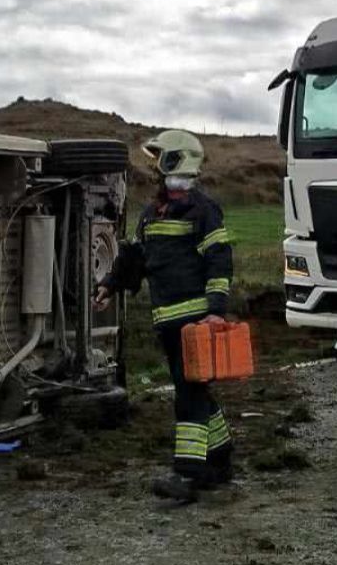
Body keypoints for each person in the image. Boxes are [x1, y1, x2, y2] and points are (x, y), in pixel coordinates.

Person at [94, 129, 236, 502]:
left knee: (188, 395)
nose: (156, 167)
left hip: (195, 322)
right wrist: (111, 283)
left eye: (161, 159)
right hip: (168, 322)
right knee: (195, 391)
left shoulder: (204, 210)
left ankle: (188, 475)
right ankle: (221, 461)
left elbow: (219, 260)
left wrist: (216, 312)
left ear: (177, 160)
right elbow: (137, 258)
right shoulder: (153, 212)